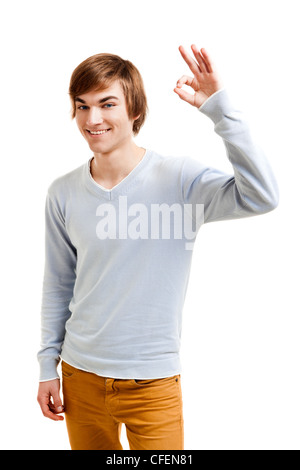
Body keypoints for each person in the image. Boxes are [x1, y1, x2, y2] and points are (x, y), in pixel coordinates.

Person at [37, 45, 279, 450]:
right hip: (79, 377)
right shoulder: (62, 192)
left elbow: (262, 196)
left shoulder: (179, 180)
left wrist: (221, 110)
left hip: (152, 384)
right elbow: (58, 284)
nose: (92, 119)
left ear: (135, 110)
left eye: (107, 104)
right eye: (82, 106)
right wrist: (48, 366)